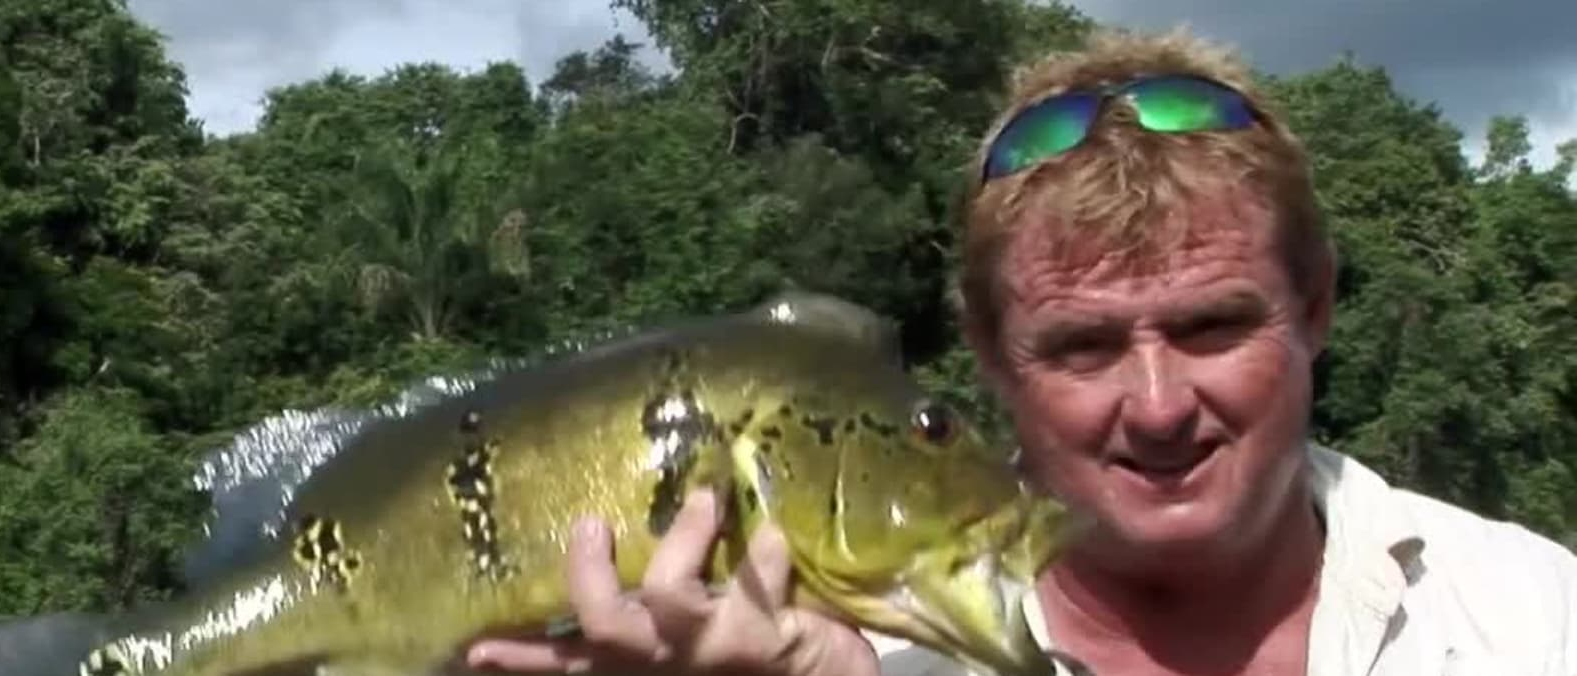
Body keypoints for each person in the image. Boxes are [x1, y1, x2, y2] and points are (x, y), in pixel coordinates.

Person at [462, 28, 1577, 676]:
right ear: (992, 352)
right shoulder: (805, 649)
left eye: (1211, 326)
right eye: (1084, 345)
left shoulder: (1531, 620)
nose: (1157, 404)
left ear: (1318, 307)